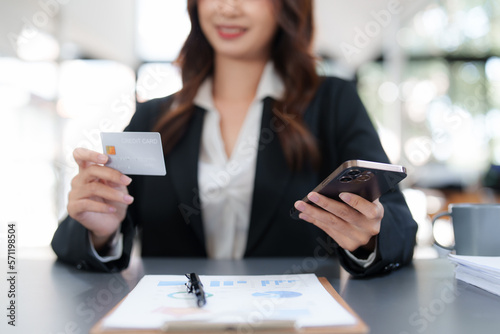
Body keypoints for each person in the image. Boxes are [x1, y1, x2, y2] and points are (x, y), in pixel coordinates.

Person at [51, 0, 417, 277]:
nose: (228, 8)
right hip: (177, 320)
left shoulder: (332, 102)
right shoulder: (155, 118)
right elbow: (70, 241)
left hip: (292, 323)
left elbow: (399, 223)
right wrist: (99, 231)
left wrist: (369, 236)